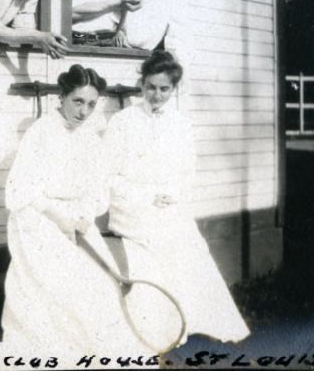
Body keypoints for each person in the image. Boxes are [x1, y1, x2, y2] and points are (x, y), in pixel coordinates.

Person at [0, 65, 150, 368]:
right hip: (38, 217)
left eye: (91, 104)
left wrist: (84, 214)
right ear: (63, 96)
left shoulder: (91, 136)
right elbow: (21, 192)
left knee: (97, 283)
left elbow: (96, 188)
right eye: (78, 101)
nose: (84, 111)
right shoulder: (41, 132)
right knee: (58, 281)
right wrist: (58, 216)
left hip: (76, 218)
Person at [105, 51, 250, 347]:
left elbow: (187, 171)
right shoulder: (123, 121)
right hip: (131, 204)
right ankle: (158, 328)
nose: (156, 95)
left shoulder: (181, 123)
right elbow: (108, 174)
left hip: (168, 202)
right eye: (150, 87)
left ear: (174, 89)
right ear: (142, 84)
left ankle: (192, 319)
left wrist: (171, 193)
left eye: (164, 89)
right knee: (155, 242)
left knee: (187, 242)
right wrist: (144, 196)